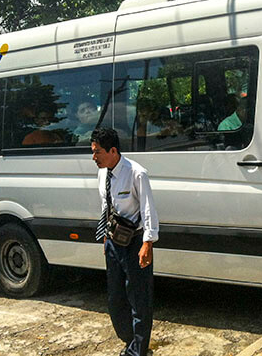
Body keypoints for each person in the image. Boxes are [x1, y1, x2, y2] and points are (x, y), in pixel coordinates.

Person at [91, 127, 159, 356]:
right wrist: (104, 238)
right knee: (115, 298)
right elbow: (105, 205)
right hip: (112, 242)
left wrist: (147, 244)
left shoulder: (136, 173)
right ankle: (129, 341)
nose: (94, 157)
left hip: (135, 242)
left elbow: (149, 210)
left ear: (112, 150)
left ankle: (138, 350)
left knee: (139, 298)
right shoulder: (103, 172)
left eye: (97, 152)